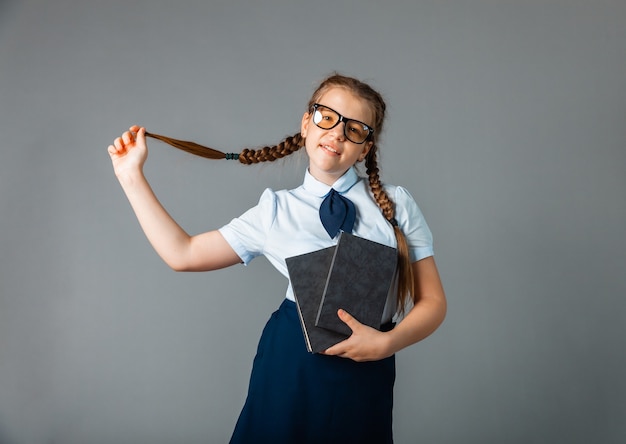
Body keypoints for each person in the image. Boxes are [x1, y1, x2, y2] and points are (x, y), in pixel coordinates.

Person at [107, 73, 446, 443]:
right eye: (327, 117)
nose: (336, 134)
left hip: (368, 367)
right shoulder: (273, 210)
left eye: (355, 129)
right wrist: (130, 176)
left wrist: (387, 344)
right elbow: (182, 253)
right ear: (306, 123)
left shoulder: (396, 204)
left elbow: (433, 302)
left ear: (365, 148)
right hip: (291, 361)